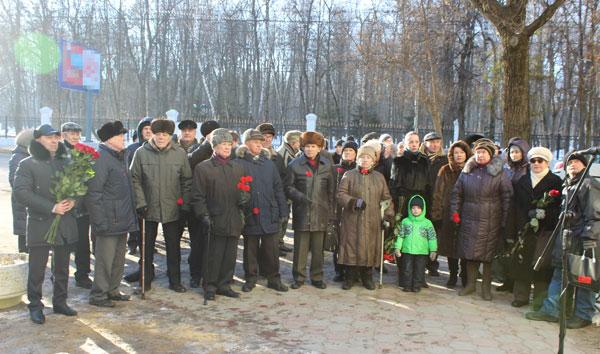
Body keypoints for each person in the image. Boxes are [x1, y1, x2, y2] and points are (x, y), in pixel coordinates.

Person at [526, 151, 599, 329]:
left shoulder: (589, 184)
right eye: (569, 162)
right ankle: (552, 310)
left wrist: (590, 239)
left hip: (582, 241)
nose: (572, 164)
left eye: (577, 162)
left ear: (585, 165)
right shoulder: (568, 185)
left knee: (584, 278)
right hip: (565, 239)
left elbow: (595, 215)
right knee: (560, 276)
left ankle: (583, 314)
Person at [14, 124, 78, 324]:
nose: (54, 140)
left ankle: (60, 302)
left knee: (62, 267)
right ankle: (35, 306)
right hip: (41, 223)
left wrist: (74, 200)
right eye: (49, 137)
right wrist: (51, 207)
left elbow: (79, 186)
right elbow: (21, 193)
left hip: (64, 222)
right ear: (38, 139)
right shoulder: (27, 164)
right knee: (37, 269)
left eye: (56, 137)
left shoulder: (66, 162)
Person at [130, 119, 192, 292]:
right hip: (148, 208)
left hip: (172, 208)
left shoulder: (179, 154)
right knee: (146, 247)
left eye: (164, 135)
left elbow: (187, 180)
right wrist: (140, 203)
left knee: (173, 247)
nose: (161, 138)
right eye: (158, 134)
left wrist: (184, 204)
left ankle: (175, 280)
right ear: (153, 135)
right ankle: (146, 278)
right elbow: (134, 178)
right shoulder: (141, 153)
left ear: (170, 136)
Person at [451, 139, 513, 301]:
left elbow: (507, 197)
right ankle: (470, 285)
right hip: (469, 217)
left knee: (487, 256)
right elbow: (457, 193)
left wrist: (505, 220)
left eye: (483, 152)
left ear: (490, 155)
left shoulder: (500, 173)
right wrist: (455, 212)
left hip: (491, 219)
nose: (480, 155)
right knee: (470, 254)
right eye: (478, 152)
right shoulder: (467, 171)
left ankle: (486, 288)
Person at [87, 121, 138, 307]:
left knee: (118, 259)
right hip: (108, 220)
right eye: (120, 136)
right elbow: (94, 193)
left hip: (121, 218)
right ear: (109, 140)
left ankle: (113, 290)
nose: (123, 139)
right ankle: (98, 295)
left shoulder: (119, 156)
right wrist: (99, 222)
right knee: (104, 261)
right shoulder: (101, 158)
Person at [192, 128, 246, 300]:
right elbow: (197, 196)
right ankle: (210, 285)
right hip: (214, 218)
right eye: (223, 144)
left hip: (233, 218)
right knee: (213, 255)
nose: (227, 147)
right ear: (214, 146)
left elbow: (245, 189)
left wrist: (245, 198)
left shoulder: (237, 168)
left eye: (229, 144)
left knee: (230, 255)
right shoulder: (203, 168)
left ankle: (224, 284)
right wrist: (203, 215)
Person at [236, 129, 289, 292]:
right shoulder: (239, 163)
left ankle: (274, 278)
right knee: (250, 249)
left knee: (271, 249)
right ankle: (251, 278)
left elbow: (278, 188)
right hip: (250, 212)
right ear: (247, 143)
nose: (259, 144)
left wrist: (283, 211)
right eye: (255, 142)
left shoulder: (269, 163)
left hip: (269, 212)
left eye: (261, 142)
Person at [510, 147, 562, 309]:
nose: (536, 164)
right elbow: (515, 207)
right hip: (525, 229)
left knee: (542, 265)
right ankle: (521, 296)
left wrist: (545, 214)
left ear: (547, 162)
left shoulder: (555, 182)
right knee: (522, 262)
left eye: (540, 161)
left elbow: (559, 207)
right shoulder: (523, 181)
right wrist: (517, 227)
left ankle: (540, 299)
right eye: (533, 161)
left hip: (544, 231)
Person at [336, 145, 394, 290]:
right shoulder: (349, 175)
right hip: (352, 219)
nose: (365, 160)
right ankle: (349, 277)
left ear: (373, 161)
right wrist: (353, 201)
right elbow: (340, 194)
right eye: (362, 157)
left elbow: (386, 198)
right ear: (357, 159)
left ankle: (367, 277)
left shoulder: (379, 178)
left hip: (372, 220)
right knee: (351, 247)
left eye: (368, 158)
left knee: (369, 247)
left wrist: (388, 216)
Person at [285, 131, 334, 290]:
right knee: (301, 248)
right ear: (302, 147)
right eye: (307, 146)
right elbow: (287, 187)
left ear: (320, 148)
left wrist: (331, 212)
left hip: (321, 211)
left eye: (313, 146)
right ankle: (298, 277)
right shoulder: (294, 165)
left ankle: (317, 276)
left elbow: (332, 190)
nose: (310, 149)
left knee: (318, 249)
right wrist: (300, 197)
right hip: (302, 211)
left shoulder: (327, 166)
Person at [431, 141, 472, 288]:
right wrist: (437, 214)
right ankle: (453, 274)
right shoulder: (445, 170)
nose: (459, 156)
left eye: (461, 153)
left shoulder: (472, 169)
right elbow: (438, 192)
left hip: (468, 212)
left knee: (465, 246)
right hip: (448, 212)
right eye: (456, 153)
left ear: (466, 154)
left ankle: (465, 275)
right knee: (451, 246)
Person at [61, 122, 93, 289]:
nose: (75, 137)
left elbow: (89, 176)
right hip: (64, 207)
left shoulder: (84, 152)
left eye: (77, 133)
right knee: (63, 243)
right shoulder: (57, 153)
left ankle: (82, 274)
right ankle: (58, 274)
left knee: (82, 243)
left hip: (82, 208)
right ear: (63, 134)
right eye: (71, 133)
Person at [497, 137, 531, 292]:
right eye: (512, 152)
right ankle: (507, 279)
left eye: (517, 152)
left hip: (520, 212)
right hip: (505, 210)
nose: (514, 155)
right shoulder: (506, 169)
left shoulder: (528, 169)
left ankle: (517, 282)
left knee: (518, 248)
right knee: (506, 246)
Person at [257, 123, 292, 255]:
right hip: (257, 200)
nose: (267, 139)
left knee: (272, 232)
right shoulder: (251, 155)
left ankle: (272, 251)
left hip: (273, 201)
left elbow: (283, 178)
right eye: (264, 136)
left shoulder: (277, 157)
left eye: (269, 137)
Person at [394, 195, 437, 292]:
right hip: (407, 250)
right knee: (407, 269)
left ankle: (417, 286)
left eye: (418, 208)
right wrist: (397, 248)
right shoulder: (405, 221)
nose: (415, 210)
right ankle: (407, 286)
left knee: (419, 270)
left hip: (422, 252)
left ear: (423, 209)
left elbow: (432, 237)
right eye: (413, 208)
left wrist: (433, 250)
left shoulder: (427, 223)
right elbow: (401, 236)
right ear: (410, 209)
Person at [420, 131, 448, 277]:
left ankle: (433, 264)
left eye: (437, 142)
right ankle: (421, 262)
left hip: (437, 202)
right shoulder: (420, 159)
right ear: (425, 143)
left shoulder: (444, 160)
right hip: (421, 201)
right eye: (431, 142)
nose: (435, 145)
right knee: (421, 234)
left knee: (433, 236)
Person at [125, 116, 153, 255]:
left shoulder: (158, 149)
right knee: (135, 220)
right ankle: (133, 243)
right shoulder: (132, 149)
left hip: (152, 190)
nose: (148, 131)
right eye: (145, 129)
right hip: (135, 189)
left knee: (150, 221)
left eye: (151, 129)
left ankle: (149, 245)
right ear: (140, 131)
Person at [331, 140, 358, 281]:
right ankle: (339, 270)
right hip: (337, 211)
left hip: (352, 210)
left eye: (351, 151)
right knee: (339, 241)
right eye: (345, 151)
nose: (348, 153)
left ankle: (352, 270)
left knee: (352, 241)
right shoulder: (335, 169)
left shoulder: (359, 170)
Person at [9, 128, 34, 253]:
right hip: (22, 200)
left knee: (26, 227)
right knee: (23, 228)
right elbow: (14, 180)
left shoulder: (25, 155)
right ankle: (24, 252)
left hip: (26, 199)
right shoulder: (19, 157)